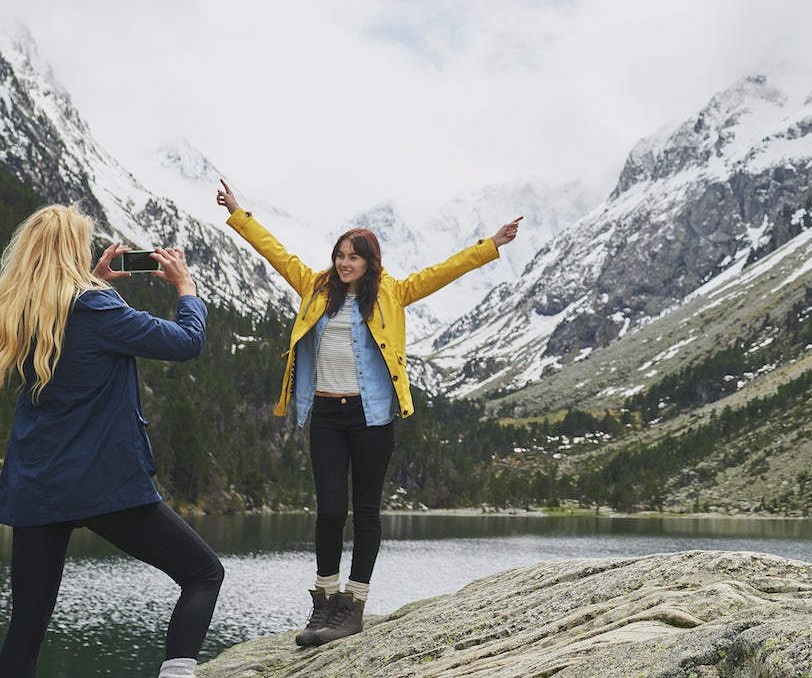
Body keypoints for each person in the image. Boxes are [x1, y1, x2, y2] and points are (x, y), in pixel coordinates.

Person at [214, 179, 520, 647]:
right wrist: (239, 213)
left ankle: (353, 607)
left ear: (369, 261)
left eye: (353, 256)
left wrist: (490, 245)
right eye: (340, 255)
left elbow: (440, 273)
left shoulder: (391, 292)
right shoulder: (316, 287)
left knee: (367, 512)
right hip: (326, 415)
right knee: (330, 509)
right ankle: (325, 601)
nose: (343, 263)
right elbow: (276, 253)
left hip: (372, 416)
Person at [0, 205, 222, 678]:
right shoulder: (95, 307)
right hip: (101, 485)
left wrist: (96, 282)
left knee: (26, 630)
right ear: (70, 251)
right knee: (203, 574)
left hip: (36, 487)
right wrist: (187, 289)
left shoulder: (19, 312)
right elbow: (186, 342)